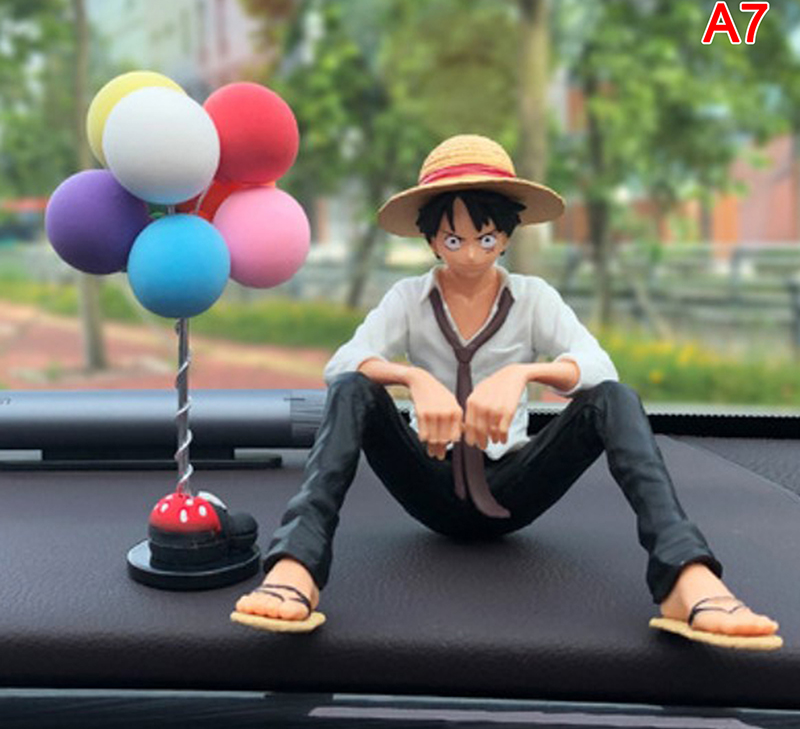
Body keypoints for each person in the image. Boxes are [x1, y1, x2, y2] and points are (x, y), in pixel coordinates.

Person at [233, 134, 781, 649]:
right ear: (430, 239)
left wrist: (524, 375)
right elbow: (340, 365)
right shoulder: (407, 299)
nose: (472, 255)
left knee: (616, 400)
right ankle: (297, 565)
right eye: (454, 240)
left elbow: (600, 369)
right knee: (355, 388)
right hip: (428, 479)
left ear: (508, 236)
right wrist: (413, 379)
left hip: (513, 487)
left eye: (487, 238)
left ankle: (685, 574)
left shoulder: (534, 298)